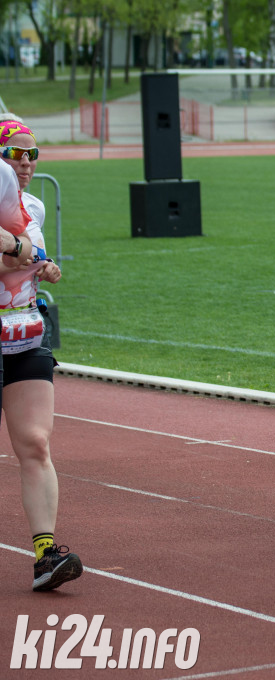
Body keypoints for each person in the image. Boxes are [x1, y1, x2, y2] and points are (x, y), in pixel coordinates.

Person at [0, 119, 74, 591]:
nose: (25, 164)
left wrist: (45, 266)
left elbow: (25, 261)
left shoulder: (34, 206)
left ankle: (45, 555)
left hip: (25, 335)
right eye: (15, 154)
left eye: (33, 155)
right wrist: (20, 249)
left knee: (36, 444)